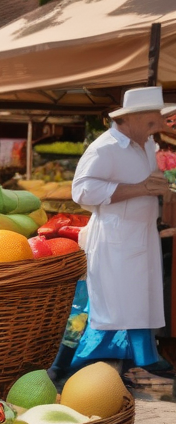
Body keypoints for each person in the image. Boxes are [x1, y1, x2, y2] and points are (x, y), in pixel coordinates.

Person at [67, 86, 174, 378]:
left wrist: (161, 184)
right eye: (152, 119)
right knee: (113, 304)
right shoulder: (105, 147)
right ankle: (85, 366)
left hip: (142, 235)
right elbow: (82, 190)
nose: (158, 124)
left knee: (141, 299)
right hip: (116, 239)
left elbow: (146, 180)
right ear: (131, 118)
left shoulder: (145, 144)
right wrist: (140, 188)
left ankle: (142, 356)